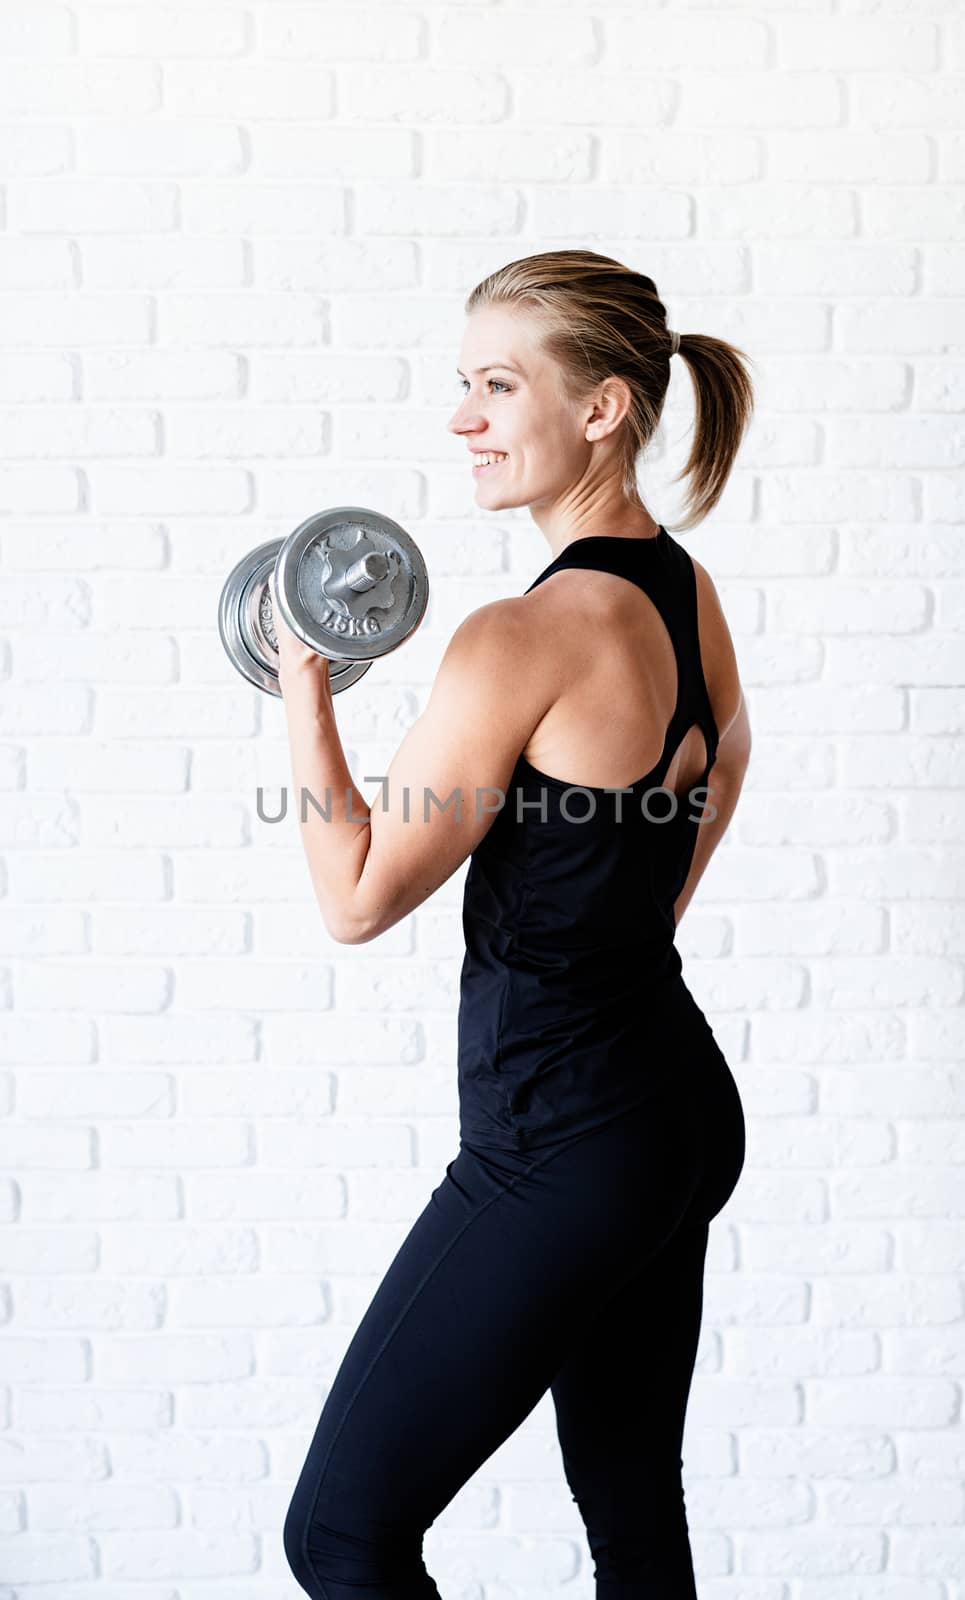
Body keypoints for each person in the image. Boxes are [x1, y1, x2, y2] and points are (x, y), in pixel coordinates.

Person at [277, 250, 755, 1599]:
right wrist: (615, 923)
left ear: (601, 409)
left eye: (497, 385)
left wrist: (299, 688)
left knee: (340, 1540)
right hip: (671, 1107)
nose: (462, 418)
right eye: (460, 385)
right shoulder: (675, 586)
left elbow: (356, 894)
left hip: (561, 1141)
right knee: (629, 1512)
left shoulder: (522, 635)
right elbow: (722, 759)